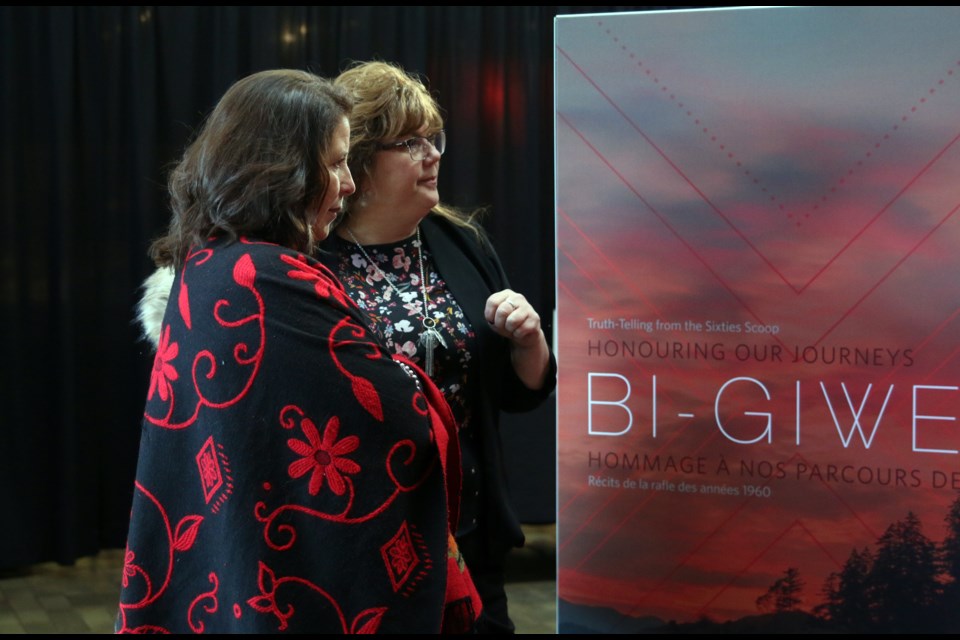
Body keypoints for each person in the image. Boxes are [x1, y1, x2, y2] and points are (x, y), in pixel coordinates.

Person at [118, 68, 480, 634]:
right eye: (335, 163)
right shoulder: (270, 276)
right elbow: (399, 418)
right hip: (282, 581)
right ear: (283, 168)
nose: (349, 183)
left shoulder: (208, 264)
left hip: (234, 558)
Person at [320, 60, 557, 634]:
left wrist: (530, 343)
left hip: (468, 530)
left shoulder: (461, 242)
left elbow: (510, 395)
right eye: (412, 143)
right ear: (360, 163)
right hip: (362, 536)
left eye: (435, 139)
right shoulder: (309, 259)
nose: (433, 155)